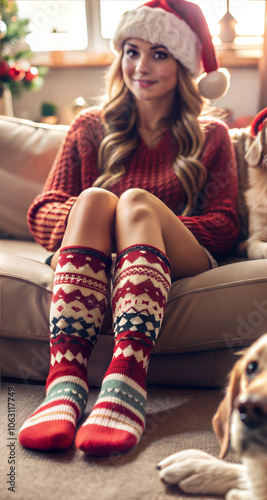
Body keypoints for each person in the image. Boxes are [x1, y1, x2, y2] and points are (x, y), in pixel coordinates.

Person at [18, 0, 239, 457]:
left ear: (182, 65)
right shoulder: (89, 127)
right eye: (131, 51)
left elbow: (224, 224)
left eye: (159, 53)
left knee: (134, 202)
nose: (141, 66)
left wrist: (140, 225)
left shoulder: (211, 135)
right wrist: (100, 223)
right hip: (99, 260)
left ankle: (126, 380)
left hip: (176, 254)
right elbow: (43, 212)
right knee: (97, 199)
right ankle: (65, 382)